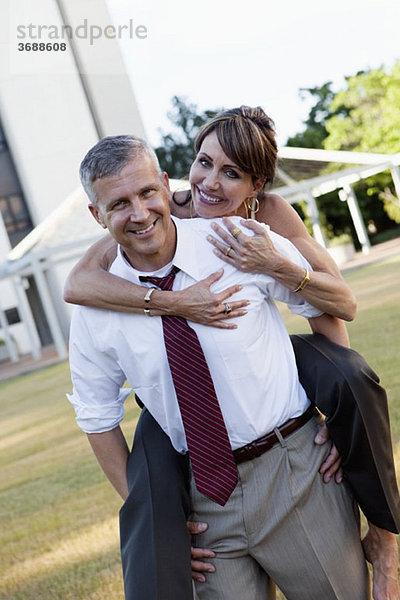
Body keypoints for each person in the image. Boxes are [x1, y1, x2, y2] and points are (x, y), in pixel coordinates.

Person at [65, 108, 400, 599]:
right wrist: (164, 520)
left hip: (293, 472)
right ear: (97, 215)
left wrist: (336, 406)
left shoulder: (256, 232)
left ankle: (388, 543)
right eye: (205, 163)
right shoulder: (102, 296)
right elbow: (95, 413)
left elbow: (335, 306)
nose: (138, 212)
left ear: (255, 187)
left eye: (233, 173)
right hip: (203, 490)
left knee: (353, 378)